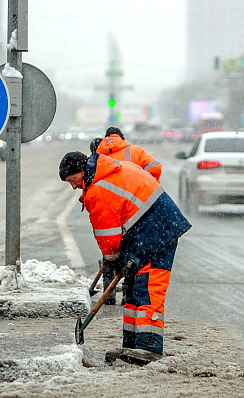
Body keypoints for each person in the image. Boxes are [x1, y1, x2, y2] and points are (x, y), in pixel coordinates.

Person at [59, 151, 191, 365]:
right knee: (132, 288)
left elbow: (109, 240)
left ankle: (149, 348)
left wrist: (114, 263)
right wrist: (122, 263)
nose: (73, 186)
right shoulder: (108, 171)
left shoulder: (98, 190)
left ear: (82, 172)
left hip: (157, 232)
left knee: (147, 288)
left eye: (73, 180)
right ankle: (132, 345)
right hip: (148, 229)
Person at [94, 126, 163, 305]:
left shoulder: (99, 154)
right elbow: (155, 167)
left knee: (111, 249)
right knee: (131, 256)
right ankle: (127, 295)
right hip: (133, 210)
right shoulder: (135, 151)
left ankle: (108, 297)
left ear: (106, 138)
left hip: (111, 209)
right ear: (121, 137)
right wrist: (144, 180)